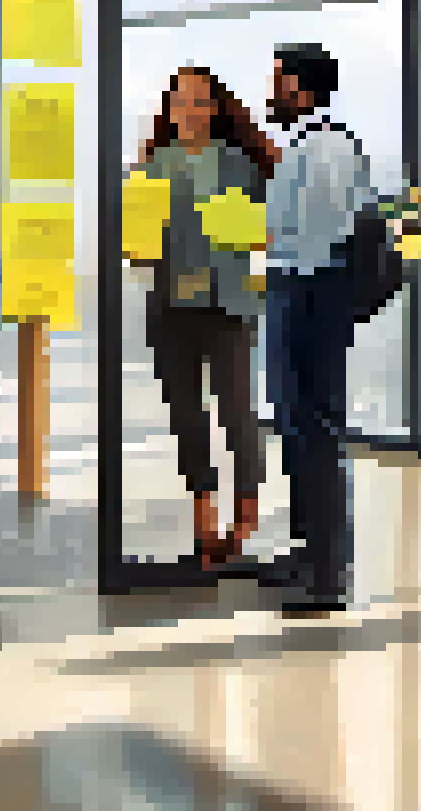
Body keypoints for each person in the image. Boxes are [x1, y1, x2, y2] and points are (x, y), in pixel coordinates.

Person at [134, 66, 278, 569]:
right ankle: (204, 513)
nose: (188, 109)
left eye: (198, 99)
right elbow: (139, 248)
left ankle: (247, 506)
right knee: (187, 417)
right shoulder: (151, 166)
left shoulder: (243, 164)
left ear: (215, 107)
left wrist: (249, 232)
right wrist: (136, 244)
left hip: (231, 305)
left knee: (239, 412)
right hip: (172, 305)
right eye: (179, 100)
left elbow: (273, 233)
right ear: (169, 110)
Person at [262, 43, 374, 615]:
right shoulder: (304, 144)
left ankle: (329, 574)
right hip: (294, 288)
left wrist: (267, 244)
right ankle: (309, 555)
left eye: (277, 81)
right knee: (295, 426)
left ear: (301, 89)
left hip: (311, 293)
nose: (270, 91)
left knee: (316, 428)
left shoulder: (326, 144)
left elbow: (324, 230)